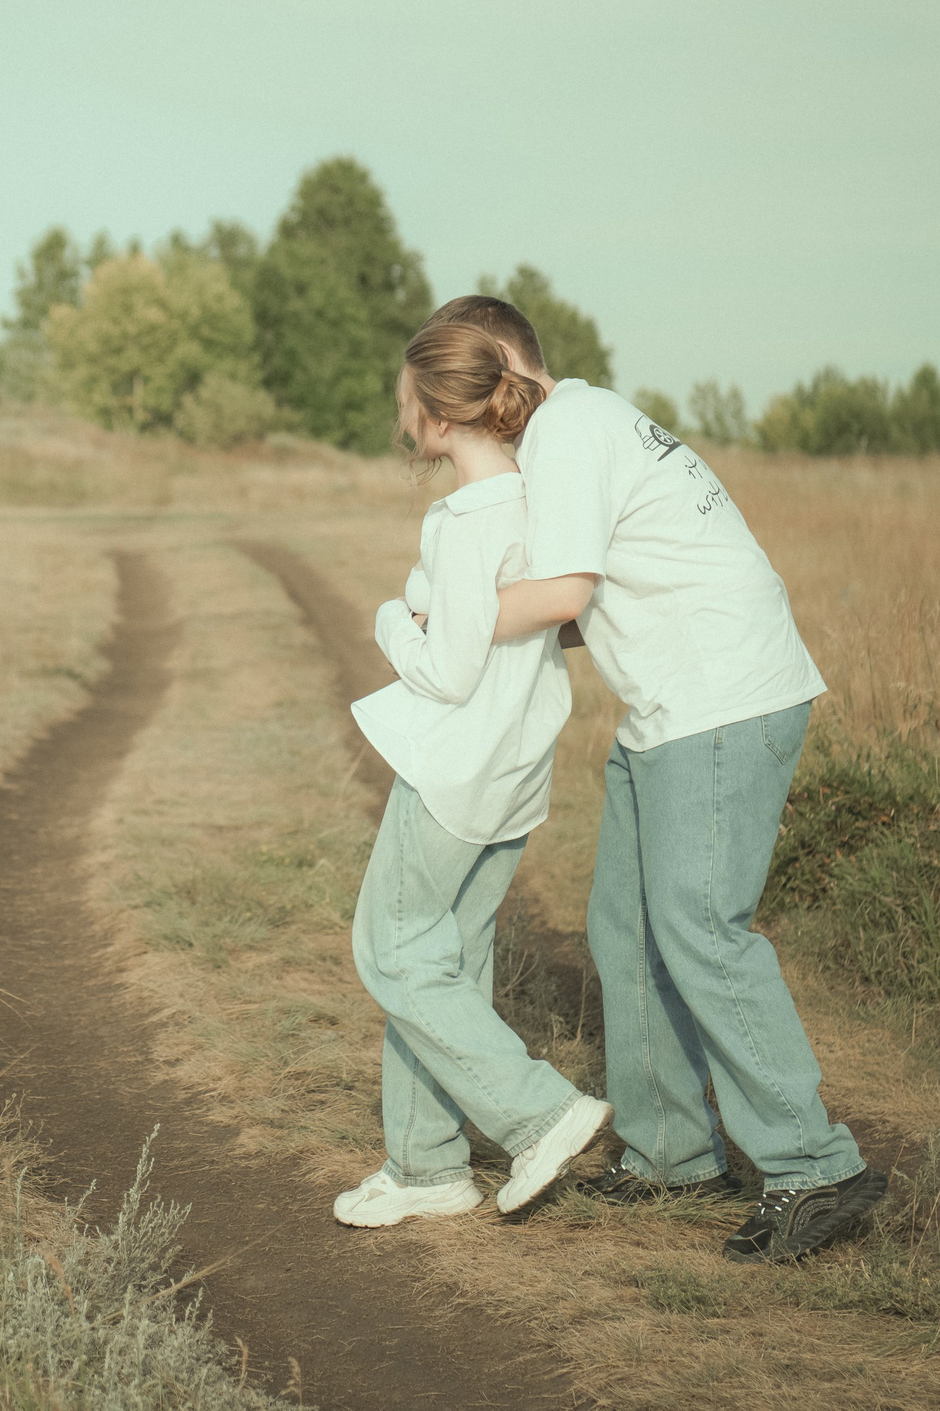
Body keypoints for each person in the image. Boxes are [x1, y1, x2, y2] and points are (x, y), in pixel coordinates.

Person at [438, 292, 886, 1264]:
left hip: (720, 699)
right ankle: (671, 1152)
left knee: (697, 929)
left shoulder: (566, 432)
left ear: (508, 376)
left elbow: (562, 594)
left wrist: (452, 621)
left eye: (466, 405)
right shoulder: (581, 421)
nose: (469, 428)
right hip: (674, 705)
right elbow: (582, 604)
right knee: (625, 924)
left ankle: (816, 1166)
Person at [334, 319, 613, 1228]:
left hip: (455, 775)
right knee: (446, 959)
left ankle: (539, 1112)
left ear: (438, 417)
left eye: (406, 400)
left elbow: (447, 669)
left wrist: (387, 620)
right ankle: (426, 1166)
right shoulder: (536, 501)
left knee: (392, 951)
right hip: (512, 776)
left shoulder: (460, 521)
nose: (401, 414)